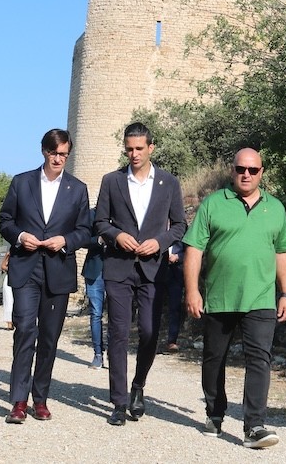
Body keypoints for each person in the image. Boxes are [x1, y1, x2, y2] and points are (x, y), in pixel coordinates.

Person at [183, 148, 286, 449]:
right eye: (241, 169)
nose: (246, 174)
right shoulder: (214, 204)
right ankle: (215, 413)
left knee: (260, 359)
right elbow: (194, 249)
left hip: (261, 297)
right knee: (214, 359)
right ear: (232, 170)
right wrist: (192, 290)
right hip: (219, 297)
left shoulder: (276, 208)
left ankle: (254, 425)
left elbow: (282, 252)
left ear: (261, 172)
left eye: (253, 170)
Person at [93, 122, 187, 426]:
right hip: (118, 267)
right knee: (118, 334)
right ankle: (118, 402)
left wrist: (159, 242)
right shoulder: (111, 181)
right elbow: (99, 223)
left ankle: (138, 386)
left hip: (153, 269)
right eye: (129, 148)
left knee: (148, 332)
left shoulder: (169, 183)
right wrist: (116, 236)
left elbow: (180, 225)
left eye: (138, 148)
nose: (133, 154)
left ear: (151, 148)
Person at [0, 128, 92, 423]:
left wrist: (65, 241)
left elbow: (85, 231)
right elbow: (5, 220)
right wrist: (20, 236)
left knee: (49, 338)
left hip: (58, 268)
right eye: (54, 152)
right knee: (25, 330)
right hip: (26, 267)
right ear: (43, 151)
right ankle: (18, 401)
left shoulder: (77, 189)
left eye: (64, 154)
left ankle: (40, 399)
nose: (58, 159)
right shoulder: (21, 182)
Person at [80, 229, 105, 369]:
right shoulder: (92, 215)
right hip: (95, 271)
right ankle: (98, 354)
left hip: (118, 270)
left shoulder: (121, 211)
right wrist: (99, 240)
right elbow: (81, 239)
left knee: (116, 315)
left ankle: (113, 355)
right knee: (96, 313)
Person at [160, 242, 185, 353]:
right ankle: (151, 340)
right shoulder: (157, 227)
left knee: (174, 308)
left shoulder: (181, 230)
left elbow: (190, 251)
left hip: (176, 274)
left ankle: (172, 341)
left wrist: (178, 257)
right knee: (153, 307)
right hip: (158, 273)